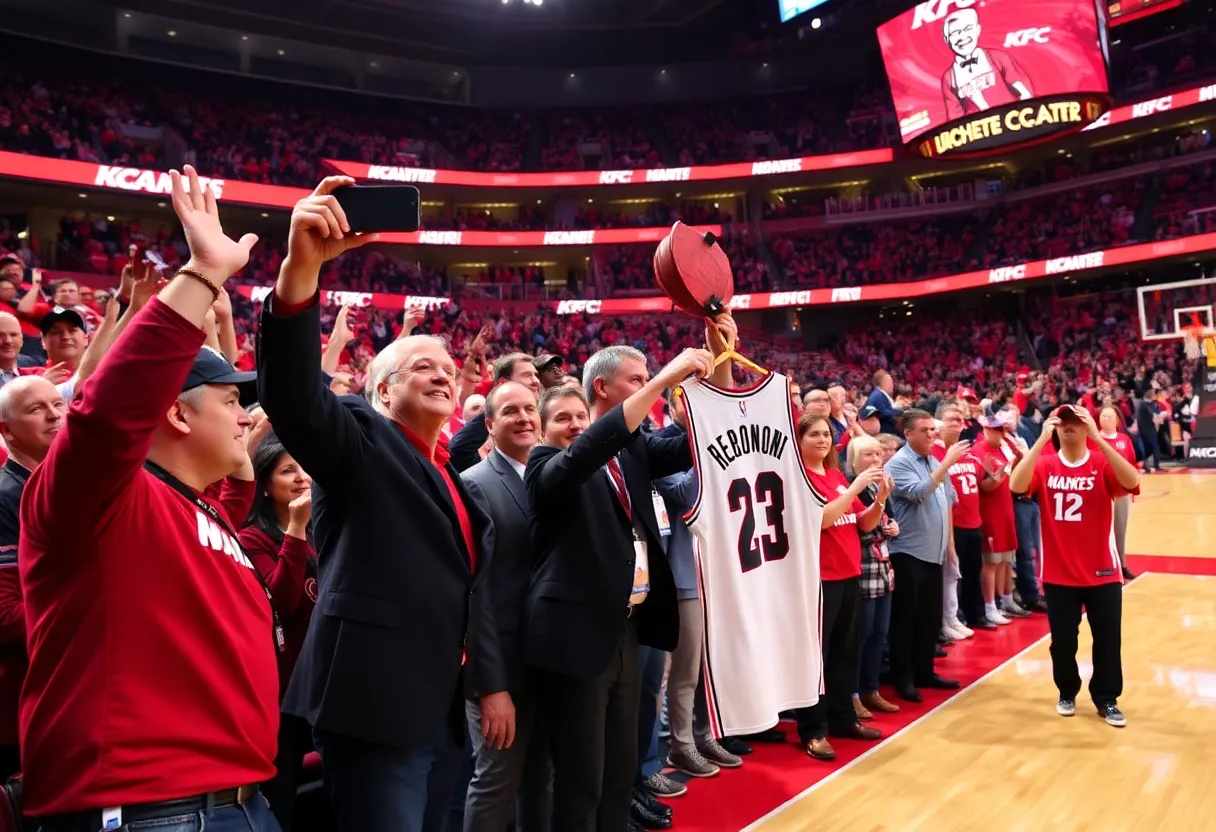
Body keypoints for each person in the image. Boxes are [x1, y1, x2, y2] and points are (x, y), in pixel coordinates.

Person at [20, 166, 280, 830]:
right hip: (150, 810)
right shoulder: (98, 501)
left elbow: (242, 475)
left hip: (240, 800)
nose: (246, 417)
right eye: (231, 402)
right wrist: (199, 278)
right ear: (178, 416)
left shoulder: (200, 502)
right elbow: (108, 416)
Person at [256, 175, 510, 831]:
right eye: (424, 366)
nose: (443, 373)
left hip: (439, 708)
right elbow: (293, 398)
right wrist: (300, 270)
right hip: (374, 705)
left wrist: (485, 683)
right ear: (380, 389)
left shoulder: (449, 470)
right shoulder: (360, 437)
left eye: (448, 371)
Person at [525, 342, 714, 832]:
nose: (575, 425)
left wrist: (715, 374)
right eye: (562, 417)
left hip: (627, 628)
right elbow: (583, 454)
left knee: (617, 770)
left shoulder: (626, 451)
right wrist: (662, 382)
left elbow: (692, 442)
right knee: (582, 776)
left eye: (578, 417)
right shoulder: (544, 466)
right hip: (578, 638)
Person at [1009, 405, 1140, 727]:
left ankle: (1107, 699)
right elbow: (1016, 486)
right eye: (1063, 422)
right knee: (1063, 641)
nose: (1069, 426)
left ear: (1087, 428)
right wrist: (1040, 441)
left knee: (1108, 638)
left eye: (1076, 422)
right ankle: (1067, 690)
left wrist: (1099, 439)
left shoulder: (1100, 462)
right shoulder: (1044, 464)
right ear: (1055, 428)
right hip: (1059, 572)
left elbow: (1132, 480)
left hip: (1103, 571)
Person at [459, 380, 553, 832]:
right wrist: (490, 687)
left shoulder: (550, 475)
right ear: (489, 425)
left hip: (546, 665)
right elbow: (476, 596)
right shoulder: (475, 485)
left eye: (530, 409)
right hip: (503, 673)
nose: (524, 418)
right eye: (510, 411)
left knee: (540, 779)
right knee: (497, 781)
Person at [793, 414, 888, 761]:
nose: (822, 440)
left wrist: (878, 501)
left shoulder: (834, 475)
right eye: (814, 434)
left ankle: (843, 719)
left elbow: (862, 524)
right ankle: (813, 730)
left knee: (845, 654)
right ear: (799, 440)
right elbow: (823, 519)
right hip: (820, 580)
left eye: (827, 435)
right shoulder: (799, 479)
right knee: (817, 659)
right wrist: (855, 488)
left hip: (849, 576)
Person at [239, 435, 316, 832]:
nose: (303, 478)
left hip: (324, 688)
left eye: (305, 469)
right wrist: (296, 530)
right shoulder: (252, 539)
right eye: (289, 471)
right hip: (282, 697)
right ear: (265, 485)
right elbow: (282, 602)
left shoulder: (324, 527)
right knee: (281, 800)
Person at [0, 376, 64, 779]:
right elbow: (5, 616)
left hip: (71, 696)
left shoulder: (71, 481)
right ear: (6, 430)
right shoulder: (6, 497)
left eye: (57, 403)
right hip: (24, 710)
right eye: (37, 409)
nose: (55, 415)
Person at [884, 409, 966, 703]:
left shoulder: (933, 461)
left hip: (934, 552)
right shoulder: (898, 463)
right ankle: (903, 677)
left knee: (929, 619)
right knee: (906, 620)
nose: (933, 434)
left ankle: (924, 671)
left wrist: (950, 545)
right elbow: (919, 493)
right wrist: (945, 465)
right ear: (908, 434)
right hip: (907, 552)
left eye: (934, 429)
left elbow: (948, 502)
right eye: (926, 430)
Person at [846, 435, 900, 721]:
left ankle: (871, 688)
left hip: (882, 567)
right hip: (863, 569)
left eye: (878, 454)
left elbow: (885, 520)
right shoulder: (851, 489)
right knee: (862, 636)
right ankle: (853, 693)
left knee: (879, 634)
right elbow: (862, 529)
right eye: (868, 455)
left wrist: (893, 527)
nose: (876, 460)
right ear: (854, 459)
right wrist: (884, 530)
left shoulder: (879, 487)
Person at [933, 403, 986, 633]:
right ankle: (952, 618)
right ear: (938, 424)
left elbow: (983, 483)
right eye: (951, 419)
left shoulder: (969, 452)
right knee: (952, 575)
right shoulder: (934, 454)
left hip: (974, 522)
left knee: (973, 572)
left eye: (959, 419)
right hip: (950, 525)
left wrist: (1001, 473)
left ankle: (976, 614)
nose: (956, 423)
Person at [1099, 405, 1138, 581]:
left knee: (1120, 531)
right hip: (1101, 493)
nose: (1105, 418)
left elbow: (1131, 463)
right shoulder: (1094, 440)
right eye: (1103, 415)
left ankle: (1121, 565)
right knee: (1102, 532)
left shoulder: (1124, 439)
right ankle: (1104, 566)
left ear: (1117, 420)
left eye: (1109, 416)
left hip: (1121, 493)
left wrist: (1132, 489)